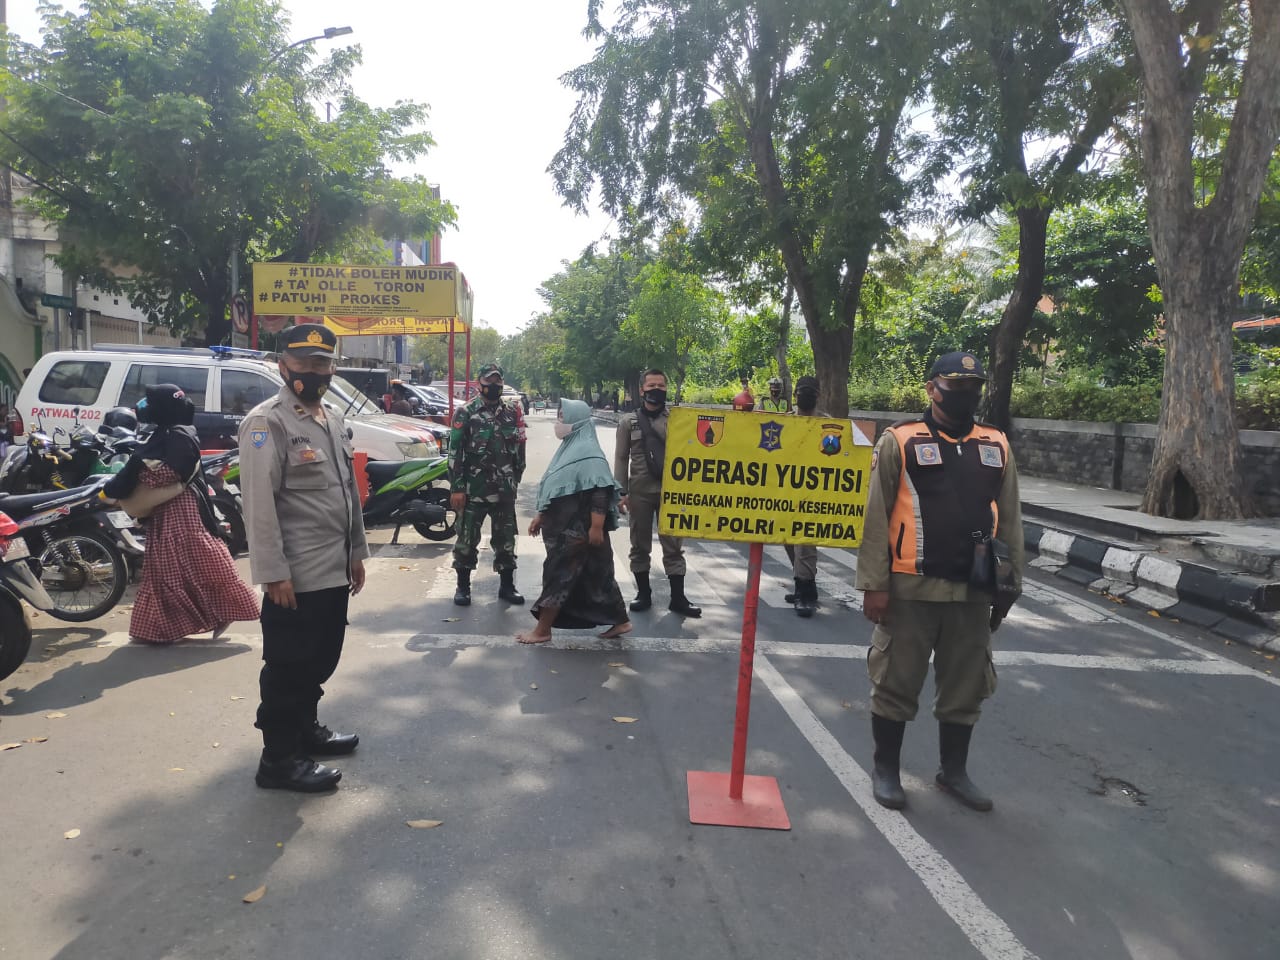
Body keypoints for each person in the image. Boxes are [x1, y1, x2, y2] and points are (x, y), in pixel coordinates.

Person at [855, 351, 1023, 813]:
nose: (964, 394)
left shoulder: (996, 445)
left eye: (972, 386)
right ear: (931, 388)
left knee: (967, 684)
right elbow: (876, 517)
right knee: (896, 680)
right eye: (954, 384)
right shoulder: (900, 441)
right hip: (911, 586)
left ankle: (955, 771)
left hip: (972, 589)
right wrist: (874, 583)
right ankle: (886, 769)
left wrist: (1009, 585)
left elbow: (1009, 521)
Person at [238, 324, 369, 794]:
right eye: (304, 364)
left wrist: (356, 551)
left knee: (320, 659)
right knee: (289, 666)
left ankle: (305, 731)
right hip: (294, 576)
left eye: (322, 364)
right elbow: (258, 504)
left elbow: (347, 491)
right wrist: (272, 573)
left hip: (332, 568)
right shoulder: (267, 422)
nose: (314, 372)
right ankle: (278, 759)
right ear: (283, 365)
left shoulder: (330, 419)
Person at [102, 384, 259, 644]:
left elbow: (171, 473)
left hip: (181, 510)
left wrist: (138, 471)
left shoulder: (178, 436)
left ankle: (215, 612)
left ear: (164, 408)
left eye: (151, 402)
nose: (144, 407)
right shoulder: (170, 432)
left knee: (189, 565)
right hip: (168, 510)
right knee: (168, 569)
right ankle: (161, 628)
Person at [518, 400, 631, 645]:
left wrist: (597, 526)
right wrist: (541, 515)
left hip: (577, 532)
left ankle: (543, 629)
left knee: (559, 576)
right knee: (597, 575)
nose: (559, 423)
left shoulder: (588, 451)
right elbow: (559, 488)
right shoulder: (571, 448)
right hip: (570, 529)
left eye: (562, 417)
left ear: (578, 421)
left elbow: (600, 489)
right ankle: (620, 621)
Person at [613, 368, 701, 617]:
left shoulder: (677, 419)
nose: (656, 390)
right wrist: (621, 492)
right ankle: (644, 593)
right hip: (639, 492)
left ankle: (678, 598)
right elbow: (621, 458)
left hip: (671, 491)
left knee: (673, 545)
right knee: (639, 546)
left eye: (661, 386)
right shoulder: (628, 422)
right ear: (641, 390)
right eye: (651, 386)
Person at [449, 362, 527, 606]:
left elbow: (520, 448)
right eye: (488, 381)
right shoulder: (466, 412)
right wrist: (457, 488)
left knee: (506, 540)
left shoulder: (512, 411)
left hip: (504, 491)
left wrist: (516, 480)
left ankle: (507, 586)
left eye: (497, 381)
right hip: (474, 490)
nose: (493, 385)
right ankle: (463, 587)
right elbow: (455, 453)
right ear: (478, 383)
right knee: (466, 540)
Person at [784, 376, 824, 617]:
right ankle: (804, 583)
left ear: (818, 395)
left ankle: (805, 593)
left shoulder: (829, 425)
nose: (805, 396)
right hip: (788, 492)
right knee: (789, 540)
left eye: (809, 392)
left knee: (805, 542)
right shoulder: (786, 423)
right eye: (801, 392)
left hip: (813, 493)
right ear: (795, 395)